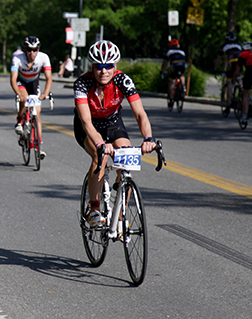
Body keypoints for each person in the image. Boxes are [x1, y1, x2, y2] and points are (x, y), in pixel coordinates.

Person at [73, 40, 157, 228]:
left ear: (115, 66)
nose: (104, 71)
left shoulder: (122, 80)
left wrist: (148, 138)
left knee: (126, 159)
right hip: (88, 126)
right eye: (99, 66)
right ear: (92, 67)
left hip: (112, 123)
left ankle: (120, 215)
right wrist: (101, 144)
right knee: (99, 156)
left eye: (108, 66)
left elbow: (140, 113)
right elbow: (86, 121)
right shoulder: (82, 83)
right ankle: (94, 210)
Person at [10, 36, 52, 159]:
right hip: (21, 82)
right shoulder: (17, 58)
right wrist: (18, 93)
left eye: (35, 49)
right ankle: (20, 121)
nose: (32, 52)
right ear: (25, 49)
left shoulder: (44, 57)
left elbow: (49, 78)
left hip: (34, 83)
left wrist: (45, 93)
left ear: (38, 49)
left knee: (37, 114)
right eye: (29, 50)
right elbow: (13, 79)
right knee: (24, 98)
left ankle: (39, 145)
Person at [214, 32, 242, 116]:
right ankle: (241, 89)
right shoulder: (239, 45)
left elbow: (218, 59)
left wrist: (215, 69)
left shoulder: (224, 45)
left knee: (229, 84)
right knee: (238, 77)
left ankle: (228, 106)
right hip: (240, 63)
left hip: (231, 64)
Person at [160, 38, 187, 107]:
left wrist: (163, 71)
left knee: (172, 81)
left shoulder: (169, 52)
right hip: (183, 65)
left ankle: (171, 100)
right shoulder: (182, 52)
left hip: (174, 66)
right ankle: (183, 87)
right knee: (181, 75)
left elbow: (165, 63)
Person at [237, 41, 252, 127]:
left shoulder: (243, 55)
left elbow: (237, 71)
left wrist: (236, 79)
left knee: (246, 94)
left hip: (249, 73)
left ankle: (244, 116)